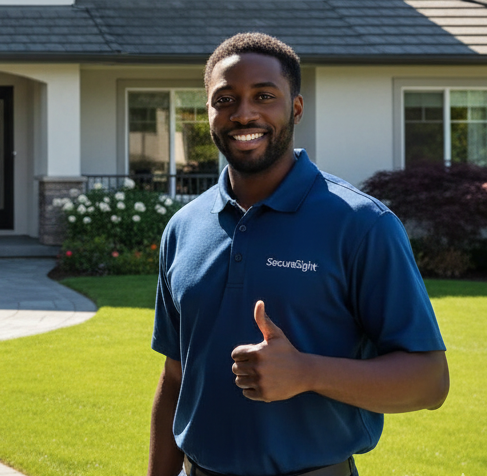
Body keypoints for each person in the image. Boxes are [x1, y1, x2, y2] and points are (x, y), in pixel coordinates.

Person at [148, 32, 448, 476]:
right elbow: (175, 377)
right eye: (225, 99)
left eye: (264, 96)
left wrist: (306, 372)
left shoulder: (361, 224)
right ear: (208, 113)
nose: (243, 112)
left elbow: (428, 382)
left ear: (296, 108)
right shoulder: (183, 228)